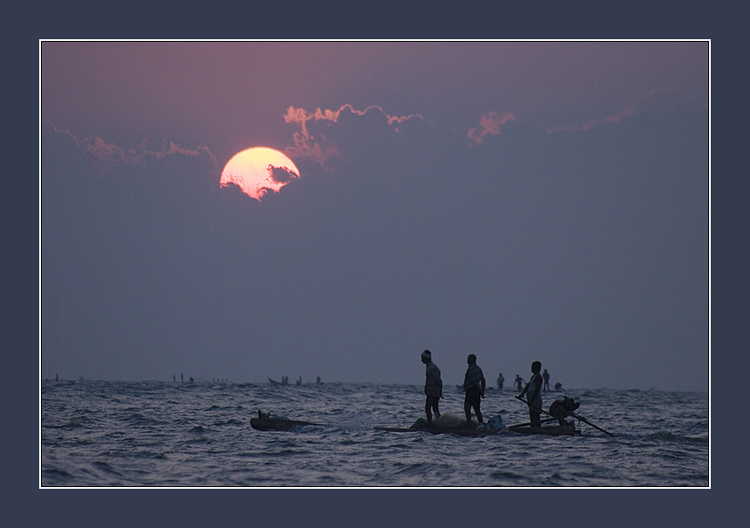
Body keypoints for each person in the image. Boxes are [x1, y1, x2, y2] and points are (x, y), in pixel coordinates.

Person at [518, 361, 543, 427]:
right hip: (531, 398)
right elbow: (528, 386)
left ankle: (537, 428)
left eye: (532, 367)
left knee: (535, 415)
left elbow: (537, 390)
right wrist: (522, 394)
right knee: (532, 415)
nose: (531, 368)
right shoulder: (533, 376)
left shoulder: (538, 377)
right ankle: (533, 427)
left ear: (536, 368)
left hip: (535, 399)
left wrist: (532, 400)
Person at [463, 354, 486, 426]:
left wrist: (480, 390)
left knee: (467, 408)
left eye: (468, 359)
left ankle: (469, 424)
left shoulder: (471, 369)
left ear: (471, 360)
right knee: (477, 408)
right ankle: (481, 423)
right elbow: (483, 380)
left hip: (471, 390)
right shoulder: (478, 369)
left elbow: (473, 381)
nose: (467, 361)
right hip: (476, 391)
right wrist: (482, 391)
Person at [421, 350, 442, 425]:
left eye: (422, 358)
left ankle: (430, 424)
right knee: (435, 408)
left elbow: (438, 380)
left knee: (428, 408)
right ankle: (439, 422)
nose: (421, 360)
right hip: (433, 391)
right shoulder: (430, 367)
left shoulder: (431, 368)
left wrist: (440, 392)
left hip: (433, 391)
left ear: (426, 358)